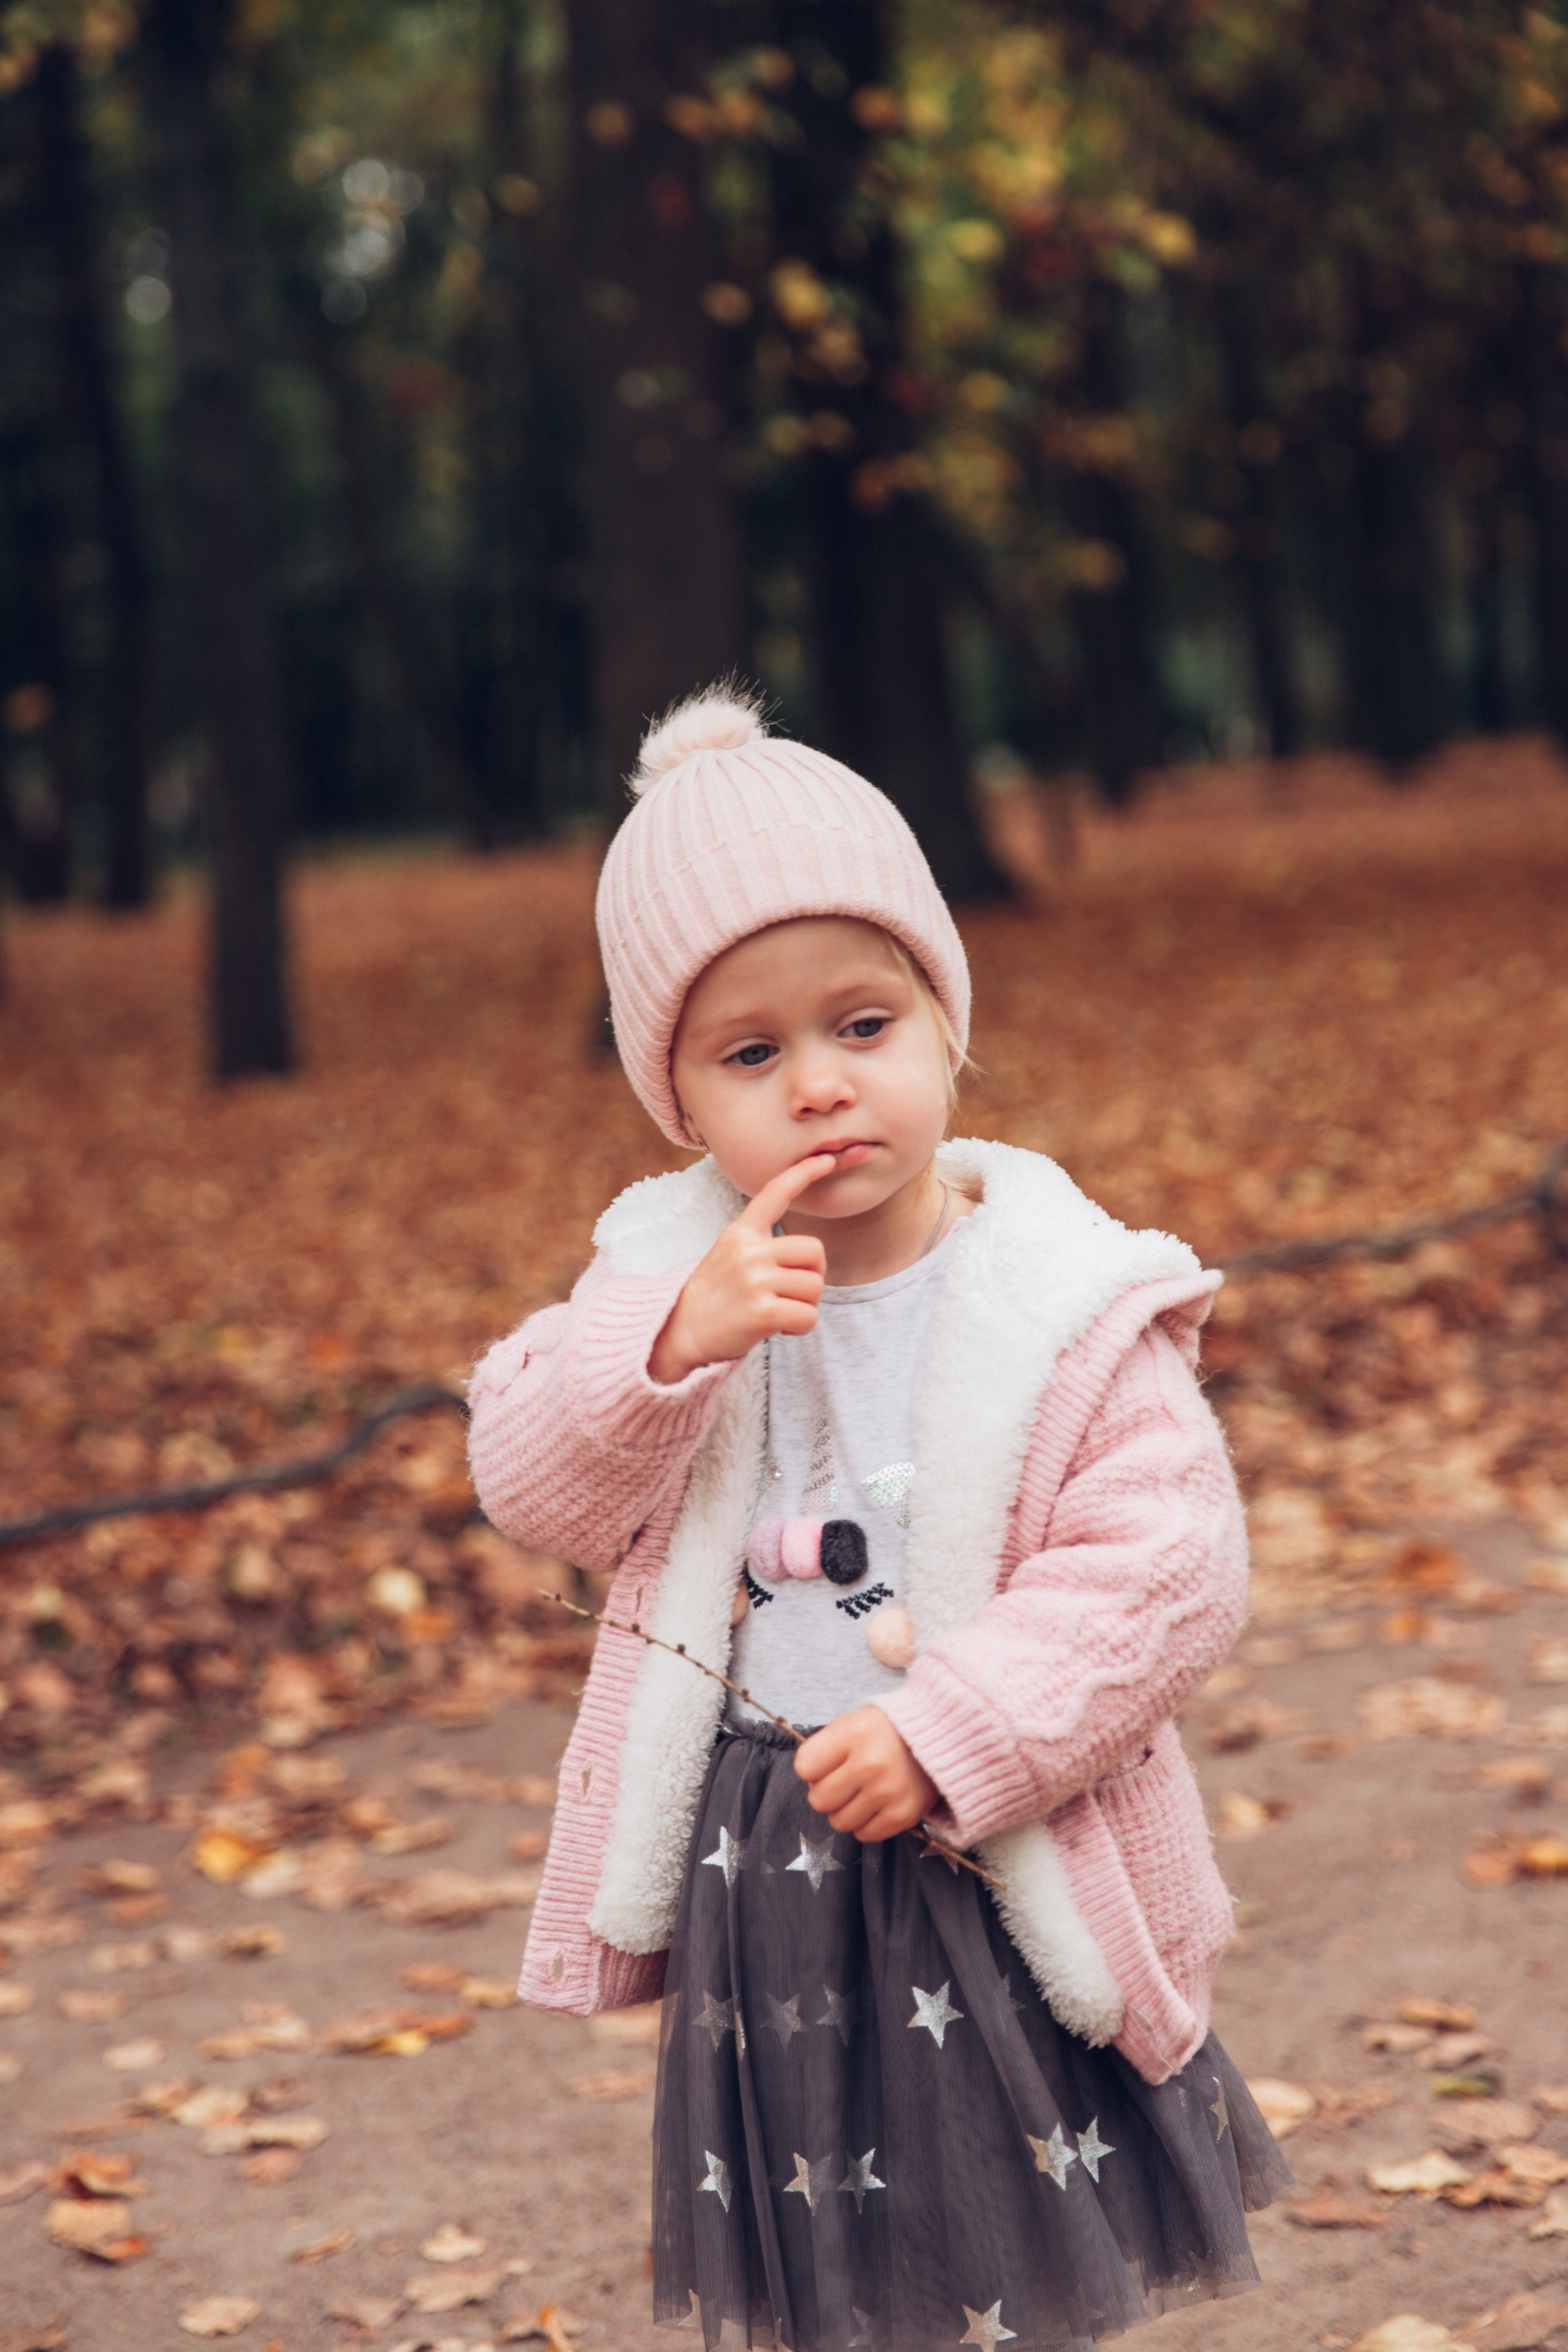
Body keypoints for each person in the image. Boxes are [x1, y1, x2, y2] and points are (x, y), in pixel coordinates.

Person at [467, 684, 1291, 2352]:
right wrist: (668, 1351)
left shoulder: (1056, 1297)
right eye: (754, 1054)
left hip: (989, 1835)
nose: (824, 1088)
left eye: (865, 1025)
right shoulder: (662, 1287)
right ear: (680, 1098)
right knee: (829, 2264)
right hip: (767, 1849)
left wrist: (960, 1726)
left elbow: (1171, 1568)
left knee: (1012, 2233)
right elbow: (532, 1485)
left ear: (947, 1025)